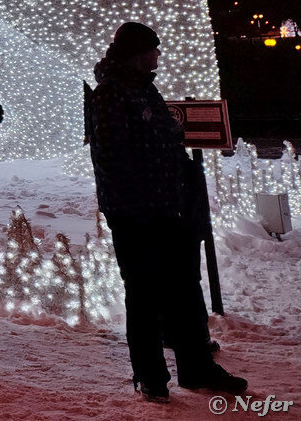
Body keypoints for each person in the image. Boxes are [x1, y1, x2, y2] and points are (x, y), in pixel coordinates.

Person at [86, 22, 247, 402]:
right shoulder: (110, 93)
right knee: (144, 295)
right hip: (136, 216)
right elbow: (110, 157)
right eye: (154, 49)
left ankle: (197, 369)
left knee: (184, 291)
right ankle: (151, 377)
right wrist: (136, 207)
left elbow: (165, 142)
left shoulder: (145, 88)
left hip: (170, 210)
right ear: (137, 53)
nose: (159, 55)